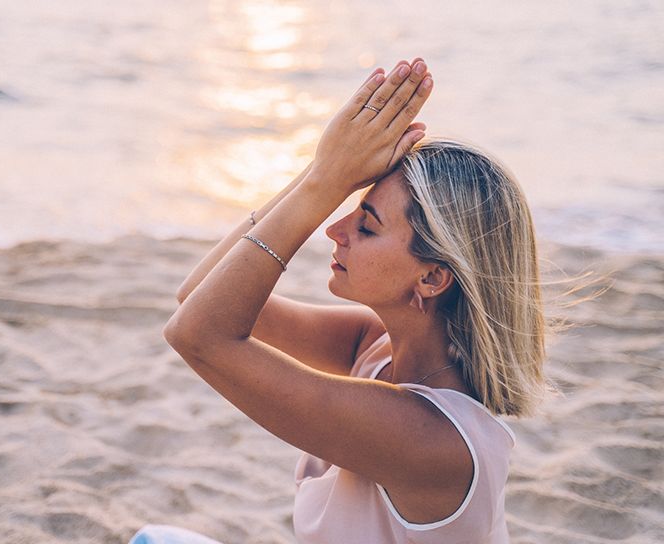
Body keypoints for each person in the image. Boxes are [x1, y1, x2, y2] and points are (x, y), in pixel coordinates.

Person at [135, 57, 546, 543]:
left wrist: (323, 184)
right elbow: (198, 296)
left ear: (432, 278)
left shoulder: (431, 438)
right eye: (348, 209)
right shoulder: (374, 348)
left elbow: (198, 334)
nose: (335, 228)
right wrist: (324, 171)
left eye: (367, 225)